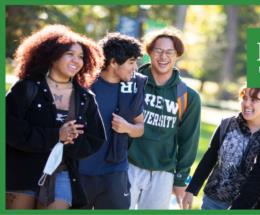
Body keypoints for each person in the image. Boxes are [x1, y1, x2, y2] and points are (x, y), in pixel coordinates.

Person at [6, 25, 106, 209]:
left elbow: (96, 138)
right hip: (21, 171)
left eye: (81, 56)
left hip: (62, 172)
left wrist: (71, 141)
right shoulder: (26, 88)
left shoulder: (85, 97)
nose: (76, 60)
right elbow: (9, 130)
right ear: (52, 56)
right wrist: (56, 136)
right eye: (70, 54)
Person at [128, 27, 201, 209]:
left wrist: (181, 178)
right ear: (149, 52)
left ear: (177, 55)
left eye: (170, 52)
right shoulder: (131, 82)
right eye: (158, 51)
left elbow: (188, 141)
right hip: (127, 164)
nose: (163, 57)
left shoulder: (187, 96)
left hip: (163, 173)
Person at [182, 88, 260, 210]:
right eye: (245, 98)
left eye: (254, 100)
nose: (246, 103)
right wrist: (192, 189)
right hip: (214, 201)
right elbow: (209, 159)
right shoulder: (227, 125)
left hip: (250, 206)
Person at [79, 32, 146, 209]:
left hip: (115, 172)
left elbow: (140, 128)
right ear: (113, 62)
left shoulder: (134, 87)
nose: (135, 67)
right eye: (131, 62)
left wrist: (127, 127)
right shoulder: (85, 84)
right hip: (81, 170)